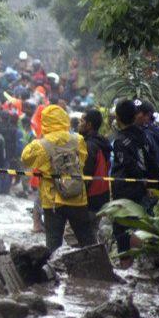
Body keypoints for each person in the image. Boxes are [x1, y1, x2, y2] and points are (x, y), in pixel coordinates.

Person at [21, 105, 96, 253]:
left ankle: (54, 274)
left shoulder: (40, 145)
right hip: (77, 198)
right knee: (87, 240)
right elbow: (83, 159)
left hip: (53, 201)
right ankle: (97, 271)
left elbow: (25, 159)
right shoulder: (78, 139)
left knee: (53, 244)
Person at [111, 100, 159, 267]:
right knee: (140, 223)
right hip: (144, 189)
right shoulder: (144, 135)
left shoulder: (121, 140)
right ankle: (139, 264)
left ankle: (126, 265)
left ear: (118, 117)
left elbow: (128, 165)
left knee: (121, 228)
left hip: (126, 191)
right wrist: (149, 184)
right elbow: (153, 160)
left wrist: (140, 180)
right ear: (134, 116)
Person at [78, 109, 111, 236]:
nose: (79, 124)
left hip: (89, 199)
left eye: (82, 121)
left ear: (89, 125)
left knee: (73, 236)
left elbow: (86, 175)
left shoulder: (89, 145)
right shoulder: (102, 142)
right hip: (102, 197)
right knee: (91, 235)